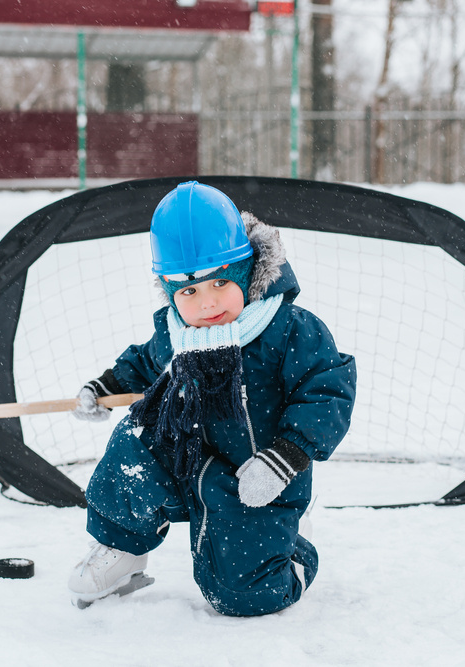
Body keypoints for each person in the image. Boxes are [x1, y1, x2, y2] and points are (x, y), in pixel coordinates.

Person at [67, 181, 356, 616]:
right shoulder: (177, 331)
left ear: (246, 271)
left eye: (220, 281)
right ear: (170, 291)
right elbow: (146, 361)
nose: (207, 304)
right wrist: (105, 388)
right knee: (133, 441)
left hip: (257, 479)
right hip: (185, 459)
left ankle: (296, 546)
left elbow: (327, 391)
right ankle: (123, 548)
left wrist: (287, 458)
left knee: (240, 596)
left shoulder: (287, 329)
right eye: (188, 291)